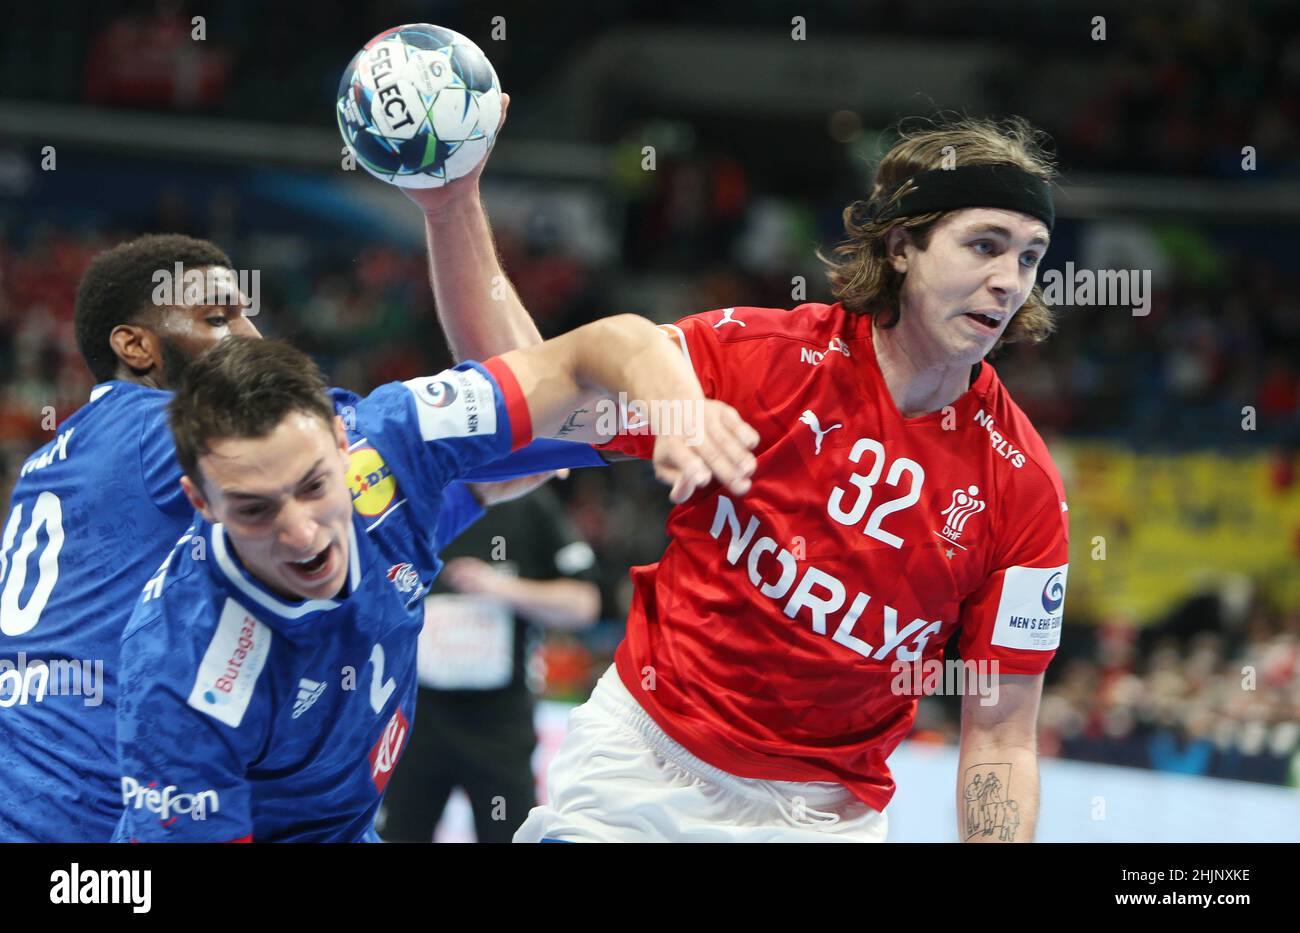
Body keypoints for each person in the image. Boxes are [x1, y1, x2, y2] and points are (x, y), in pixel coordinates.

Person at [0, 91, 595, 841]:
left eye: (249, 311)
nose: (249, 335)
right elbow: (521, 416)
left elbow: (503, 466)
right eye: (217, 317)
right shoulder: (170, 434)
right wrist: (451, 205)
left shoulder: (62, 464)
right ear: (136, 347)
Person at [514, 115, 1070, 842]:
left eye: (1030, 257)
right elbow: (526, 406)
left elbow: (1001, 735)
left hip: (822, 818)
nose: (1008, 281)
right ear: (902, 246)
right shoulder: (753, 358)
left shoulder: (1023, 484)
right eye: (984, 245)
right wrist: (454, 208)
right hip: (644, 765)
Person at [112, 320, 757, 842]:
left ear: (344, 440)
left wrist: (678, 411)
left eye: (314, 487)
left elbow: (597, 348)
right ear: (201, 502)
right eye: (255, 510)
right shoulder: (181, 677)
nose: (303, 534)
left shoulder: (396, 433)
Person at [378, 486, 600, 843]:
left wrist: (501, 588)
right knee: (398, 834)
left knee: (508, 834)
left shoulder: (529, 504)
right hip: (415, 723)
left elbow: (584, 604)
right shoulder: (415, 497)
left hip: (499, 725)